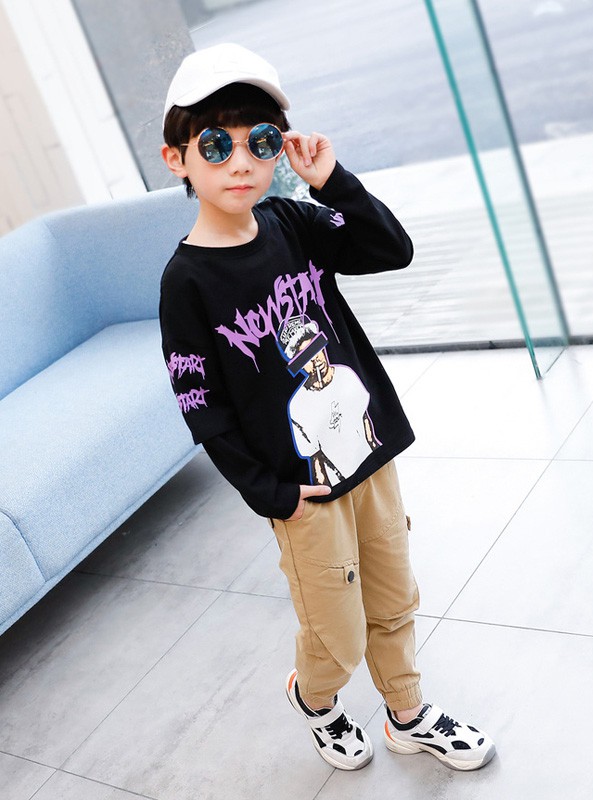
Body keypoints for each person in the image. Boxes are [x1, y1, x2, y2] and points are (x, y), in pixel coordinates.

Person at [159, 42, 496, 773]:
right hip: (302, 490)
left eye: (260, 142)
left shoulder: (293, 220)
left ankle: (406, 712)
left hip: (368, 459)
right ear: (176, 158)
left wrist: (332, 182)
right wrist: (271, 492)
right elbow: (200, 402)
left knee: (394, 595)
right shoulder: (186, 282)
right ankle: (315, 699)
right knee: (336, 631)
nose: (240, 162)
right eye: (215, 145)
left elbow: (391, 248)